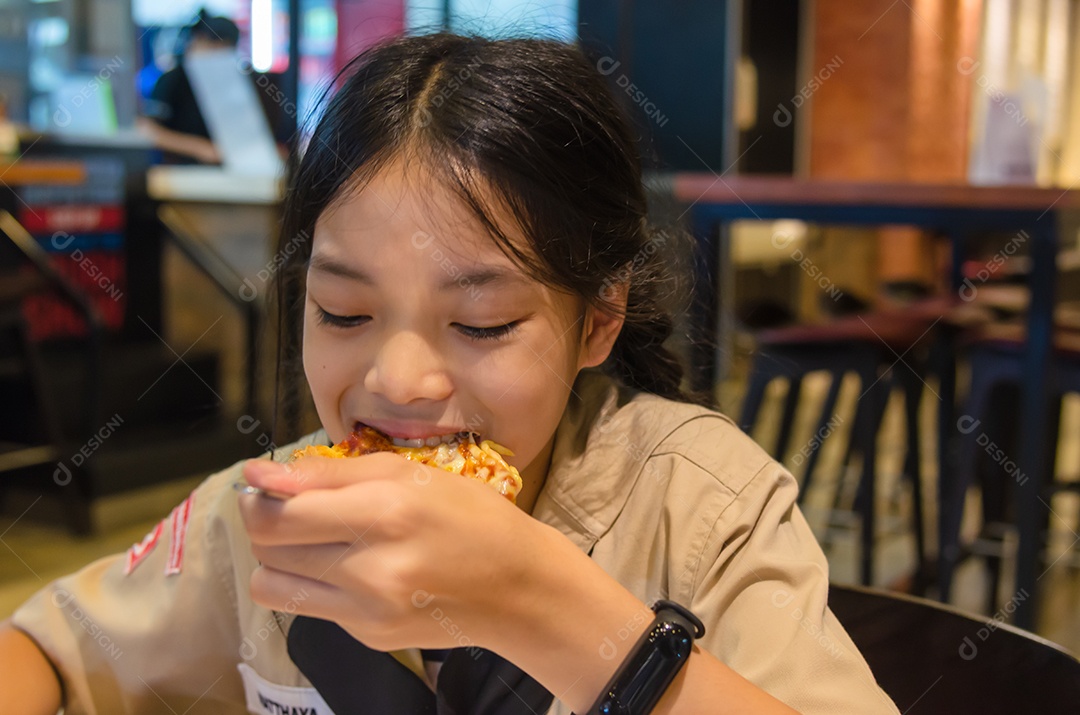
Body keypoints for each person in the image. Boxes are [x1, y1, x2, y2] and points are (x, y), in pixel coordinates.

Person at [0, 33, 900, 714]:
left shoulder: (699, 507)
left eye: (482, 323)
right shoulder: (270, 515)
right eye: (343, 312)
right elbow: (44, 648)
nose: (399, 380)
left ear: (598, 317)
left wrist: (545, 611)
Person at [138, 12, 241, 164]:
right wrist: (199, 148)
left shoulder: (232, 83)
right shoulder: (173, 79)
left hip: (230, 167)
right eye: (212, 47)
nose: (216, 55)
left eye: (223, 51)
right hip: (180, 168)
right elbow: (146, 129)